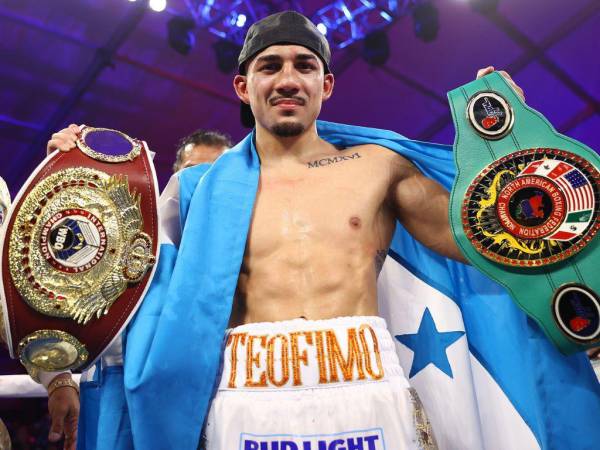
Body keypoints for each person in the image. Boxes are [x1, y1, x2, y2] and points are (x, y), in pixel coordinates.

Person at [36, 11, 598, 450]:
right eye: (270, 66)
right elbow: (110, 276)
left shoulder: (378, 167)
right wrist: (69, 186)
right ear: (242, 85)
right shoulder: (196, 191)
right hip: (248, 393)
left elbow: (488, 237)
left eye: (304, 66)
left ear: (326, 84)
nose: (287, 79)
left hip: (365, 385)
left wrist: (511, 148)